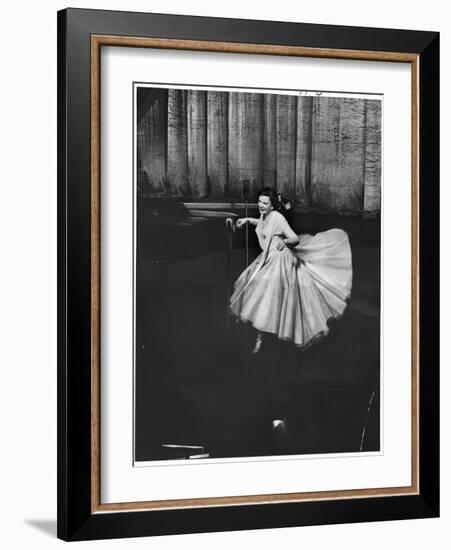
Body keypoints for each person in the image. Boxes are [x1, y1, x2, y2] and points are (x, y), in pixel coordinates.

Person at [230, 187, 352, 353]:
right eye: (259, 202)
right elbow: (263, 225)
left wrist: (286, 242)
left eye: (265, 203)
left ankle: (265, 337)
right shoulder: (265, 215)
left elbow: (294, 238)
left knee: (270, 295)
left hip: (280, 259)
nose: (261, 205)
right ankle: (261, 335)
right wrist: (248, 220)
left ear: (272, 206)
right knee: (261, 292)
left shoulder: (278, 217)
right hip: (268, 257)